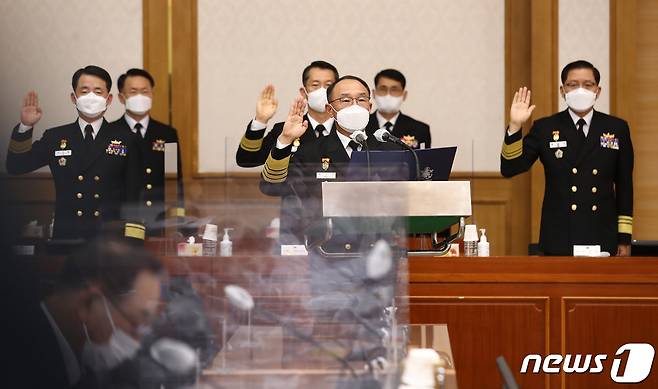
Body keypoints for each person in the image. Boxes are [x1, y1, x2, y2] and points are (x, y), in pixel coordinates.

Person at [500, 60, 634, 256]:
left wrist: (624, 238)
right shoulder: (545, 128)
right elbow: (510, 168)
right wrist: (514, 126)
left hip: (602, 233)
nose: (580, 90)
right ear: (563, 91)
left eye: (588, 85)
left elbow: (625, 186)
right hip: (559, 235)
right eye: (572, 84)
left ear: (598, 90)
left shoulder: (616, 128)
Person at [5, 65, 143, 240]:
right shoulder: (55, 137)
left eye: (98, 91)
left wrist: (133, 242)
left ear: (108, 100)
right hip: (68, 236)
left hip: (111, 240)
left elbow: (136, 195)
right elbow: (16, 166)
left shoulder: (127, 138)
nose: (91, 97)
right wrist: (25, 126)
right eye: (84, 91)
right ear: (74, 97)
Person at [6, 240, 163, 388]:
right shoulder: (19, 363)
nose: (138, 339)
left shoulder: (75, 360)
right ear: (88, 304)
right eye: (136, 323)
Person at [260, 75, 396, 245]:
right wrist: (285, 140)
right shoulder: (310, 152)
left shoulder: (391, 150)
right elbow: (271, 187)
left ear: (369, 107)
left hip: (380, 252)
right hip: (326, 252)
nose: (354, 105)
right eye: (345, 100)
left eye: (361, 99)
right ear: (330, 110)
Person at [112, 68, 185, 235]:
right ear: (121, 97)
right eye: (133, 91)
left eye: (145, 91)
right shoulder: (110, 133)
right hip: (121, 222)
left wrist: (176, 222)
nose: (140, 96)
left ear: (152, 95)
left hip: (157, 221)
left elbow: (174, 180)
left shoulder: (167, 134)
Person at [235, 60, 339, 167]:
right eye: (315, 85)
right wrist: (260, 121)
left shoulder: (348, 130)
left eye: (328, 85)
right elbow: (246, 160)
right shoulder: (284, 130)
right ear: (304, 92)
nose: (322, 90)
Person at [365, 68, 431, 149]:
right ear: (374, 93)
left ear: (404, 94)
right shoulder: (362, 126)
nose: (388, 95)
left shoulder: (420, 129)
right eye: (383, 89)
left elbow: (425, 160)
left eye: (394, 90)